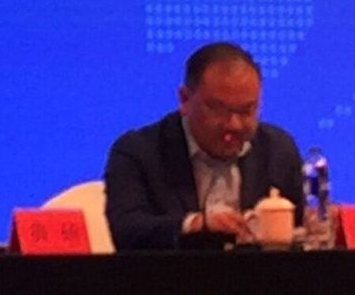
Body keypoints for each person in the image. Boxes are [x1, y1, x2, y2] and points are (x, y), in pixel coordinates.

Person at [102, 41, 303, 250]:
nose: (234, 125)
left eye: (246, 111)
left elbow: (299, 232)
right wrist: (197, 224)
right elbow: (126, 231)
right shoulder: (138, 152)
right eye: (219, 110)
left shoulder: (278, 149)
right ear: (184, 99)